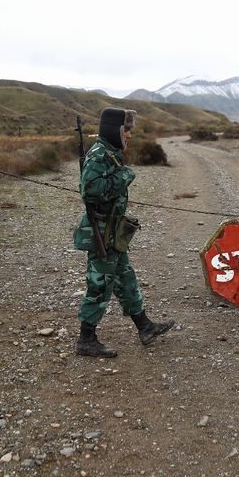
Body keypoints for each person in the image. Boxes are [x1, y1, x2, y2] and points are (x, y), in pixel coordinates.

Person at [72, 108, 175, 357]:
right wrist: (125, 176)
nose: (129, 135)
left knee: (125, 278)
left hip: (113, 230)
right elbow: (91, 191)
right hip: (103, 232)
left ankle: (145, 327)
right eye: (126, 130)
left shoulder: (110, 152)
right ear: (114, 130)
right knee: (99, 284)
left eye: (129, 130)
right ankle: (86, 339)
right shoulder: (99, 155)